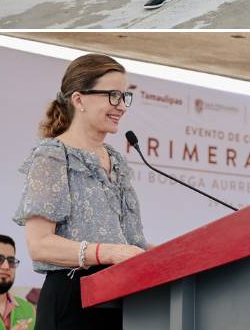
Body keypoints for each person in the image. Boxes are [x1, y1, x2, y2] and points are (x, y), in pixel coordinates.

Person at [13, 54, 149, 330]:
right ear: (79, 99)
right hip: (72, 302)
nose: (121, 106)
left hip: (123, 301)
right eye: (113, 95)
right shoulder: (53, 156)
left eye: (125, 97)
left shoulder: (117, 160)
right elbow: (39, 245)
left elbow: (131, 242)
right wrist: (109, 253)